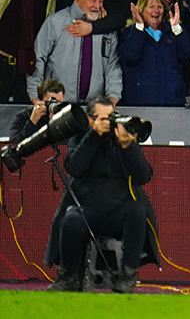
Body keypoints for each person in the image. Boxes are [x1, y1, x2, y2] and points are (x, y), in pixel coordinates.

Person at [45, 95, 156, 293]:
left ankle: (128, 275)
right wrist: (94, 136)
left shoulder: (121, 138)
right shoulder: (79, 135)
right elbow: (74, 167)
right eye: (101, 118)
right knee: (70, 219)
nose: (108, 122)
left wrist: (128, 147)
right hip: (86, 208)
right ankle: (70, 276)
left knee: (138, 211)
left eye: (111, 117)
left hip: (119, 209)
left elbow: (144, 176)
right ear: (90, 119)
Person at [28, 0, 123, 102]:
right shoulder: (55, 22)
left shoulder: (107, 29)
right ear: (77, 0)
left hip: (93, 107)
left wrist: (113, 97)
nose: (97, 6)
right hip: (56, 103)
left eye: (100, 2)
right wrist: (35, 96)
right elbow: (37, 58)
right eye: (93, 1)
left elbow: (112, 66)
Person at [8, 78, 65, 143]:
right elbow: (14, 144)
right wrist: (32, 122)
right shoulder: (22, 116)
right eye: (52, 102)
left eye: (59, 103)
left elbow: (72, 146)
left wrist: (58, 126)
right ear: (40, 101)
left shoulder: (65, 117)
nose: (54, 106)